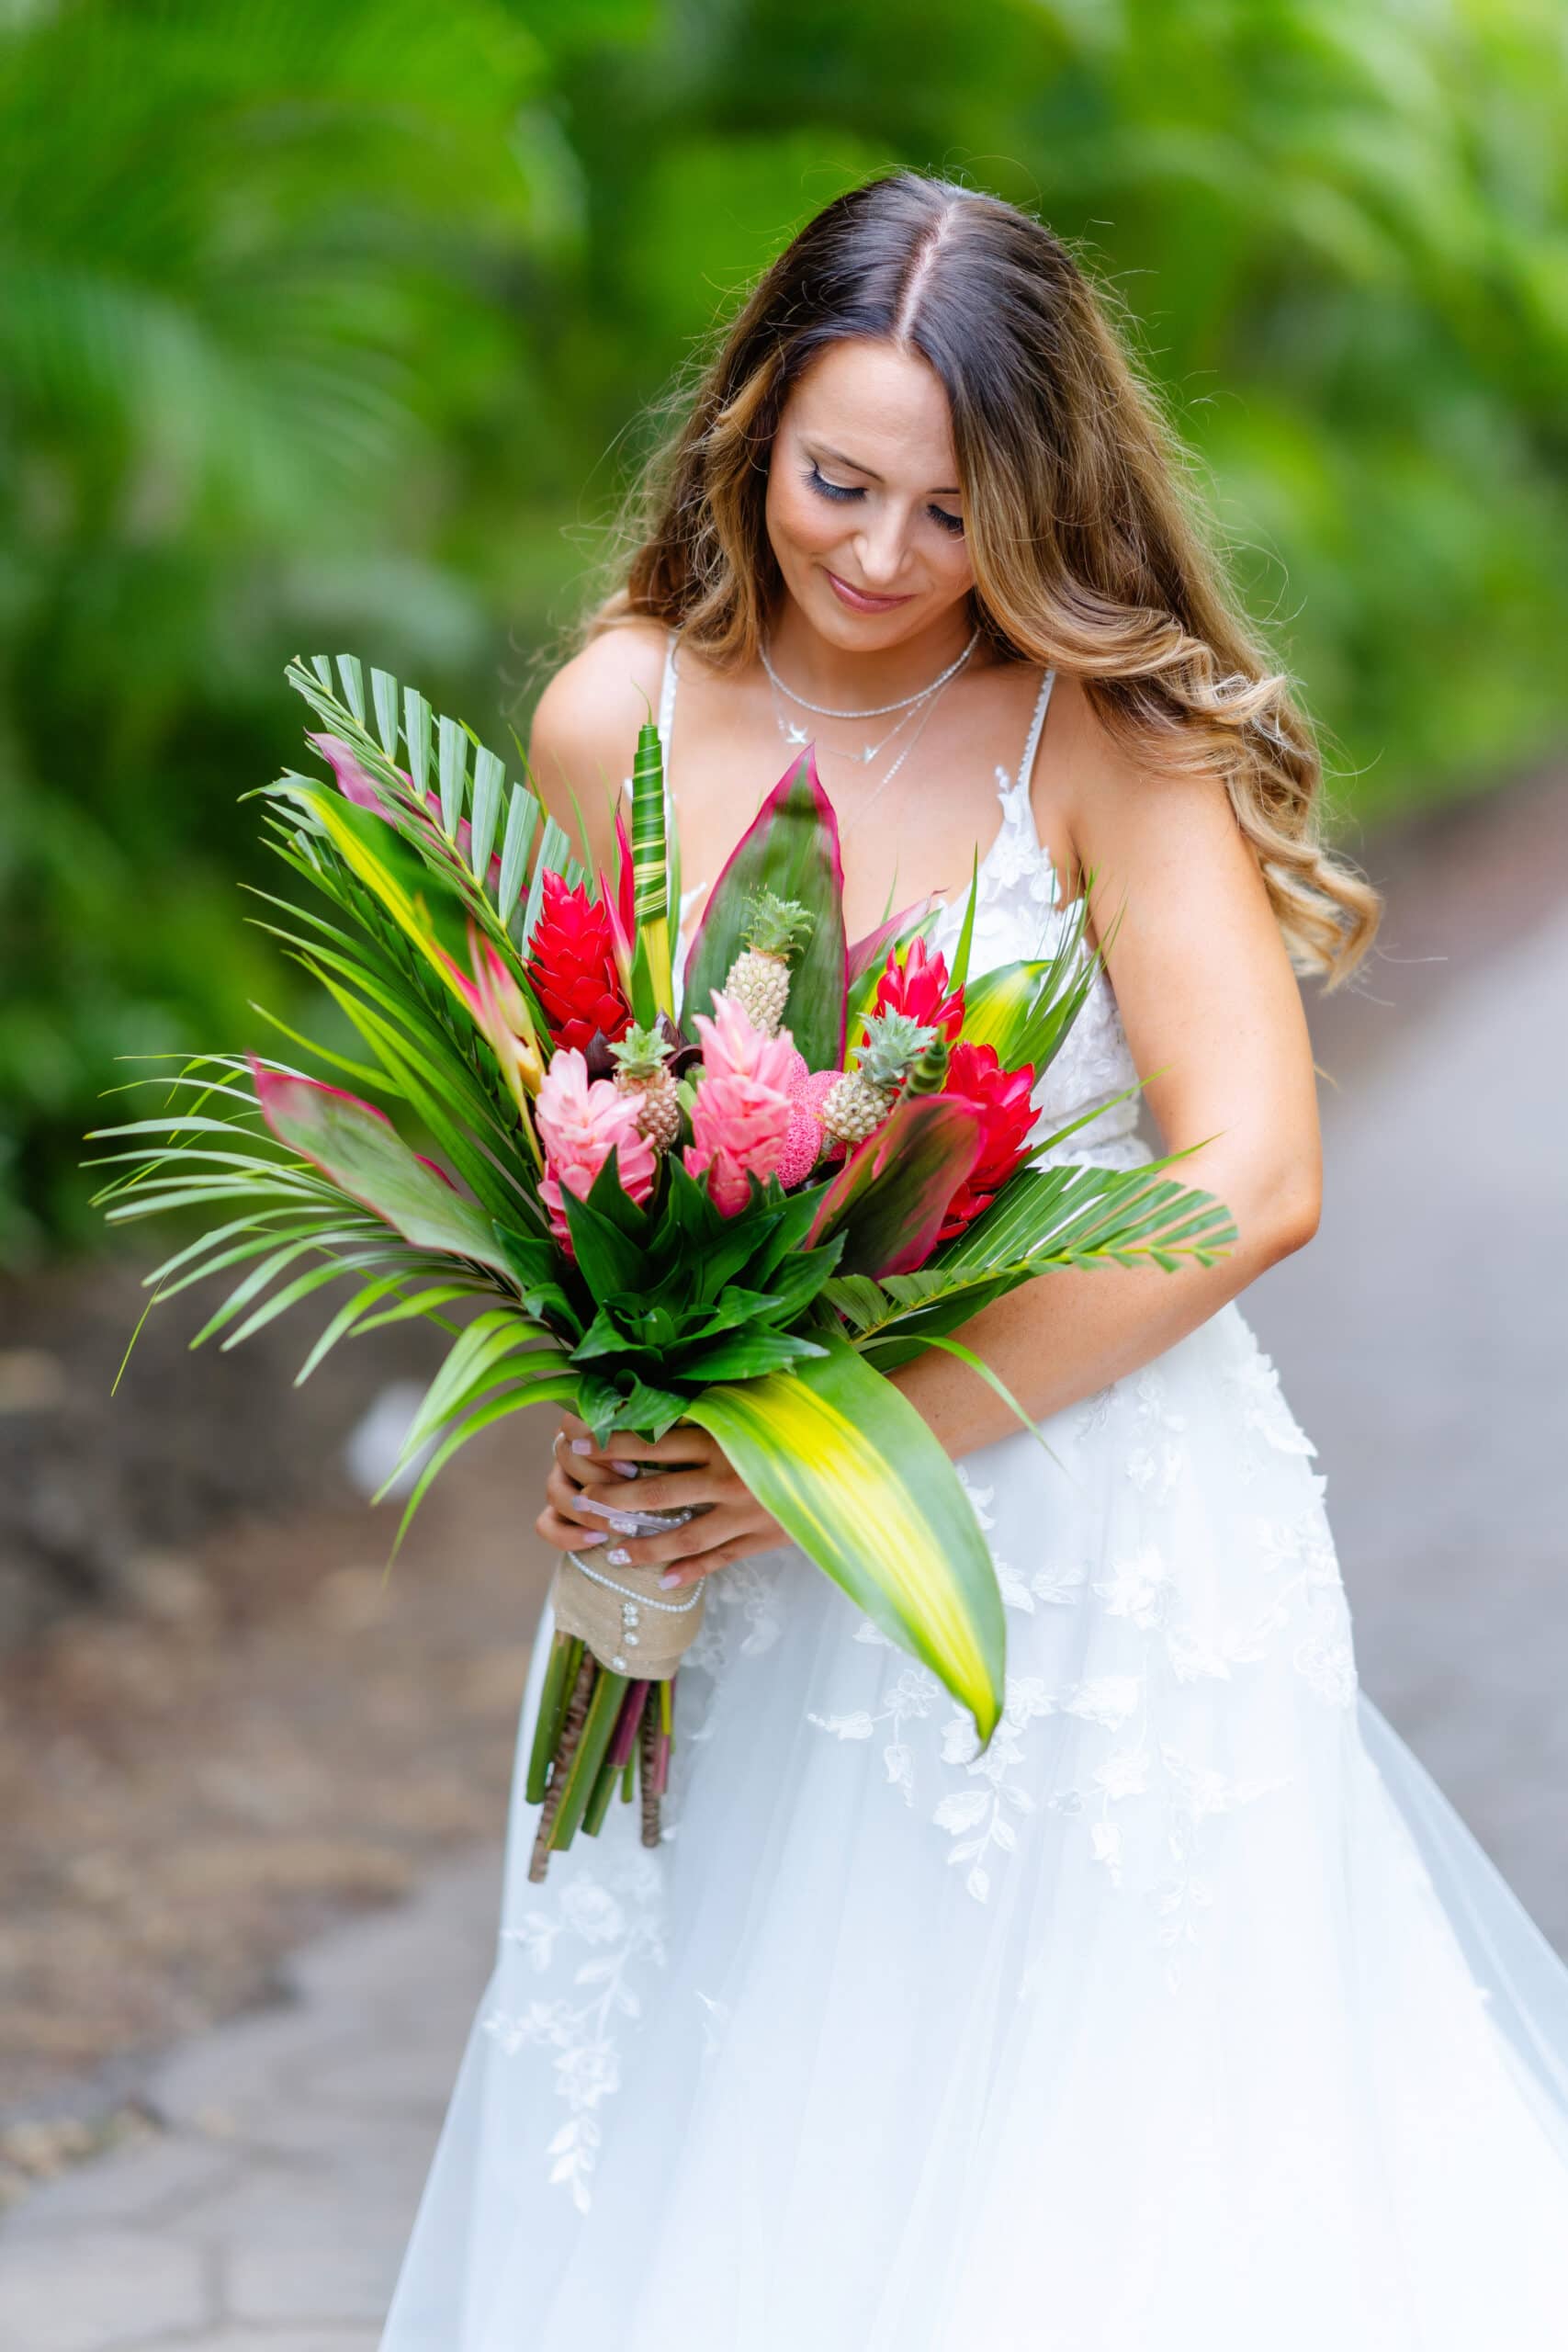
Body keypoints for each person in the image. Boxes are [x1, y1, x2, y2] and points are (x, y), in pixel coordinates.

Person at [378, 172, 1568, 2350]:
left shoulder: (1099, 736)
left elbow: (1253, 1165)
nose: (881, 556)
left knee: (1088, 2179)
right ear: (745, 423)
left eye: (951, 514)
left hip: (1074, 1549)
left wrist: (858, 1456)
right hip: (724, 1560)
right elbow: (572, 1136)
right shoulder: (610, 713)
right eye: (839, 480)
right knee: (731, 2113)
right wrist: (615, 1420)